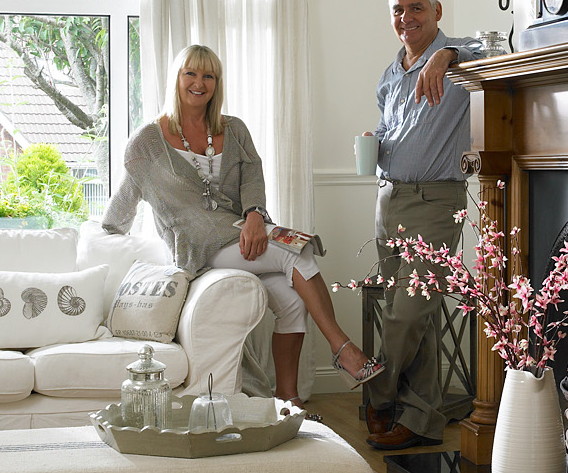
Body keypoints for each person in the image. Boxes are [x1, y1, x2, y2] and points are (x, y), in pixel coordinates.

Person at [102, 44, 381, 409]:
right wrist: (107, 241)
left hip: (243, 234)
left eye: (209, 76)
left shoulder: (233, 129)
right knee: (297, 254)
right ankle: (343, 349)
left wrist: (254, 215)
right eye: (191, 73)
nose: (199, 83)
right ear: (177, 78)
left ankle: (287, 401)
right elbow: (123, 202)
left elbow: (252, 176)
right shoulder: (148, 142)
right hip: (200, 248)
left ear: (217, 83)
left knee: (292, 302)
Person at [364, 0, 484, 450]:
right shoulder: (389, 75)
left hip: (435, 202)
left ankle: (377, 394)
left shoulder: (457, 61)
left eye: (416, 7)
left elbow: (497, 49)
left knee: (409, 313)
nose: (406, 18)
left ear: (436, 11)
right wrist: (376, 141)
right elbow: (389, 126)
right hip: (388, 198)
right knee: (418, 314)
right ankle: (420, 419)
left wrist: (447, 54)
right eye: (398, 9)